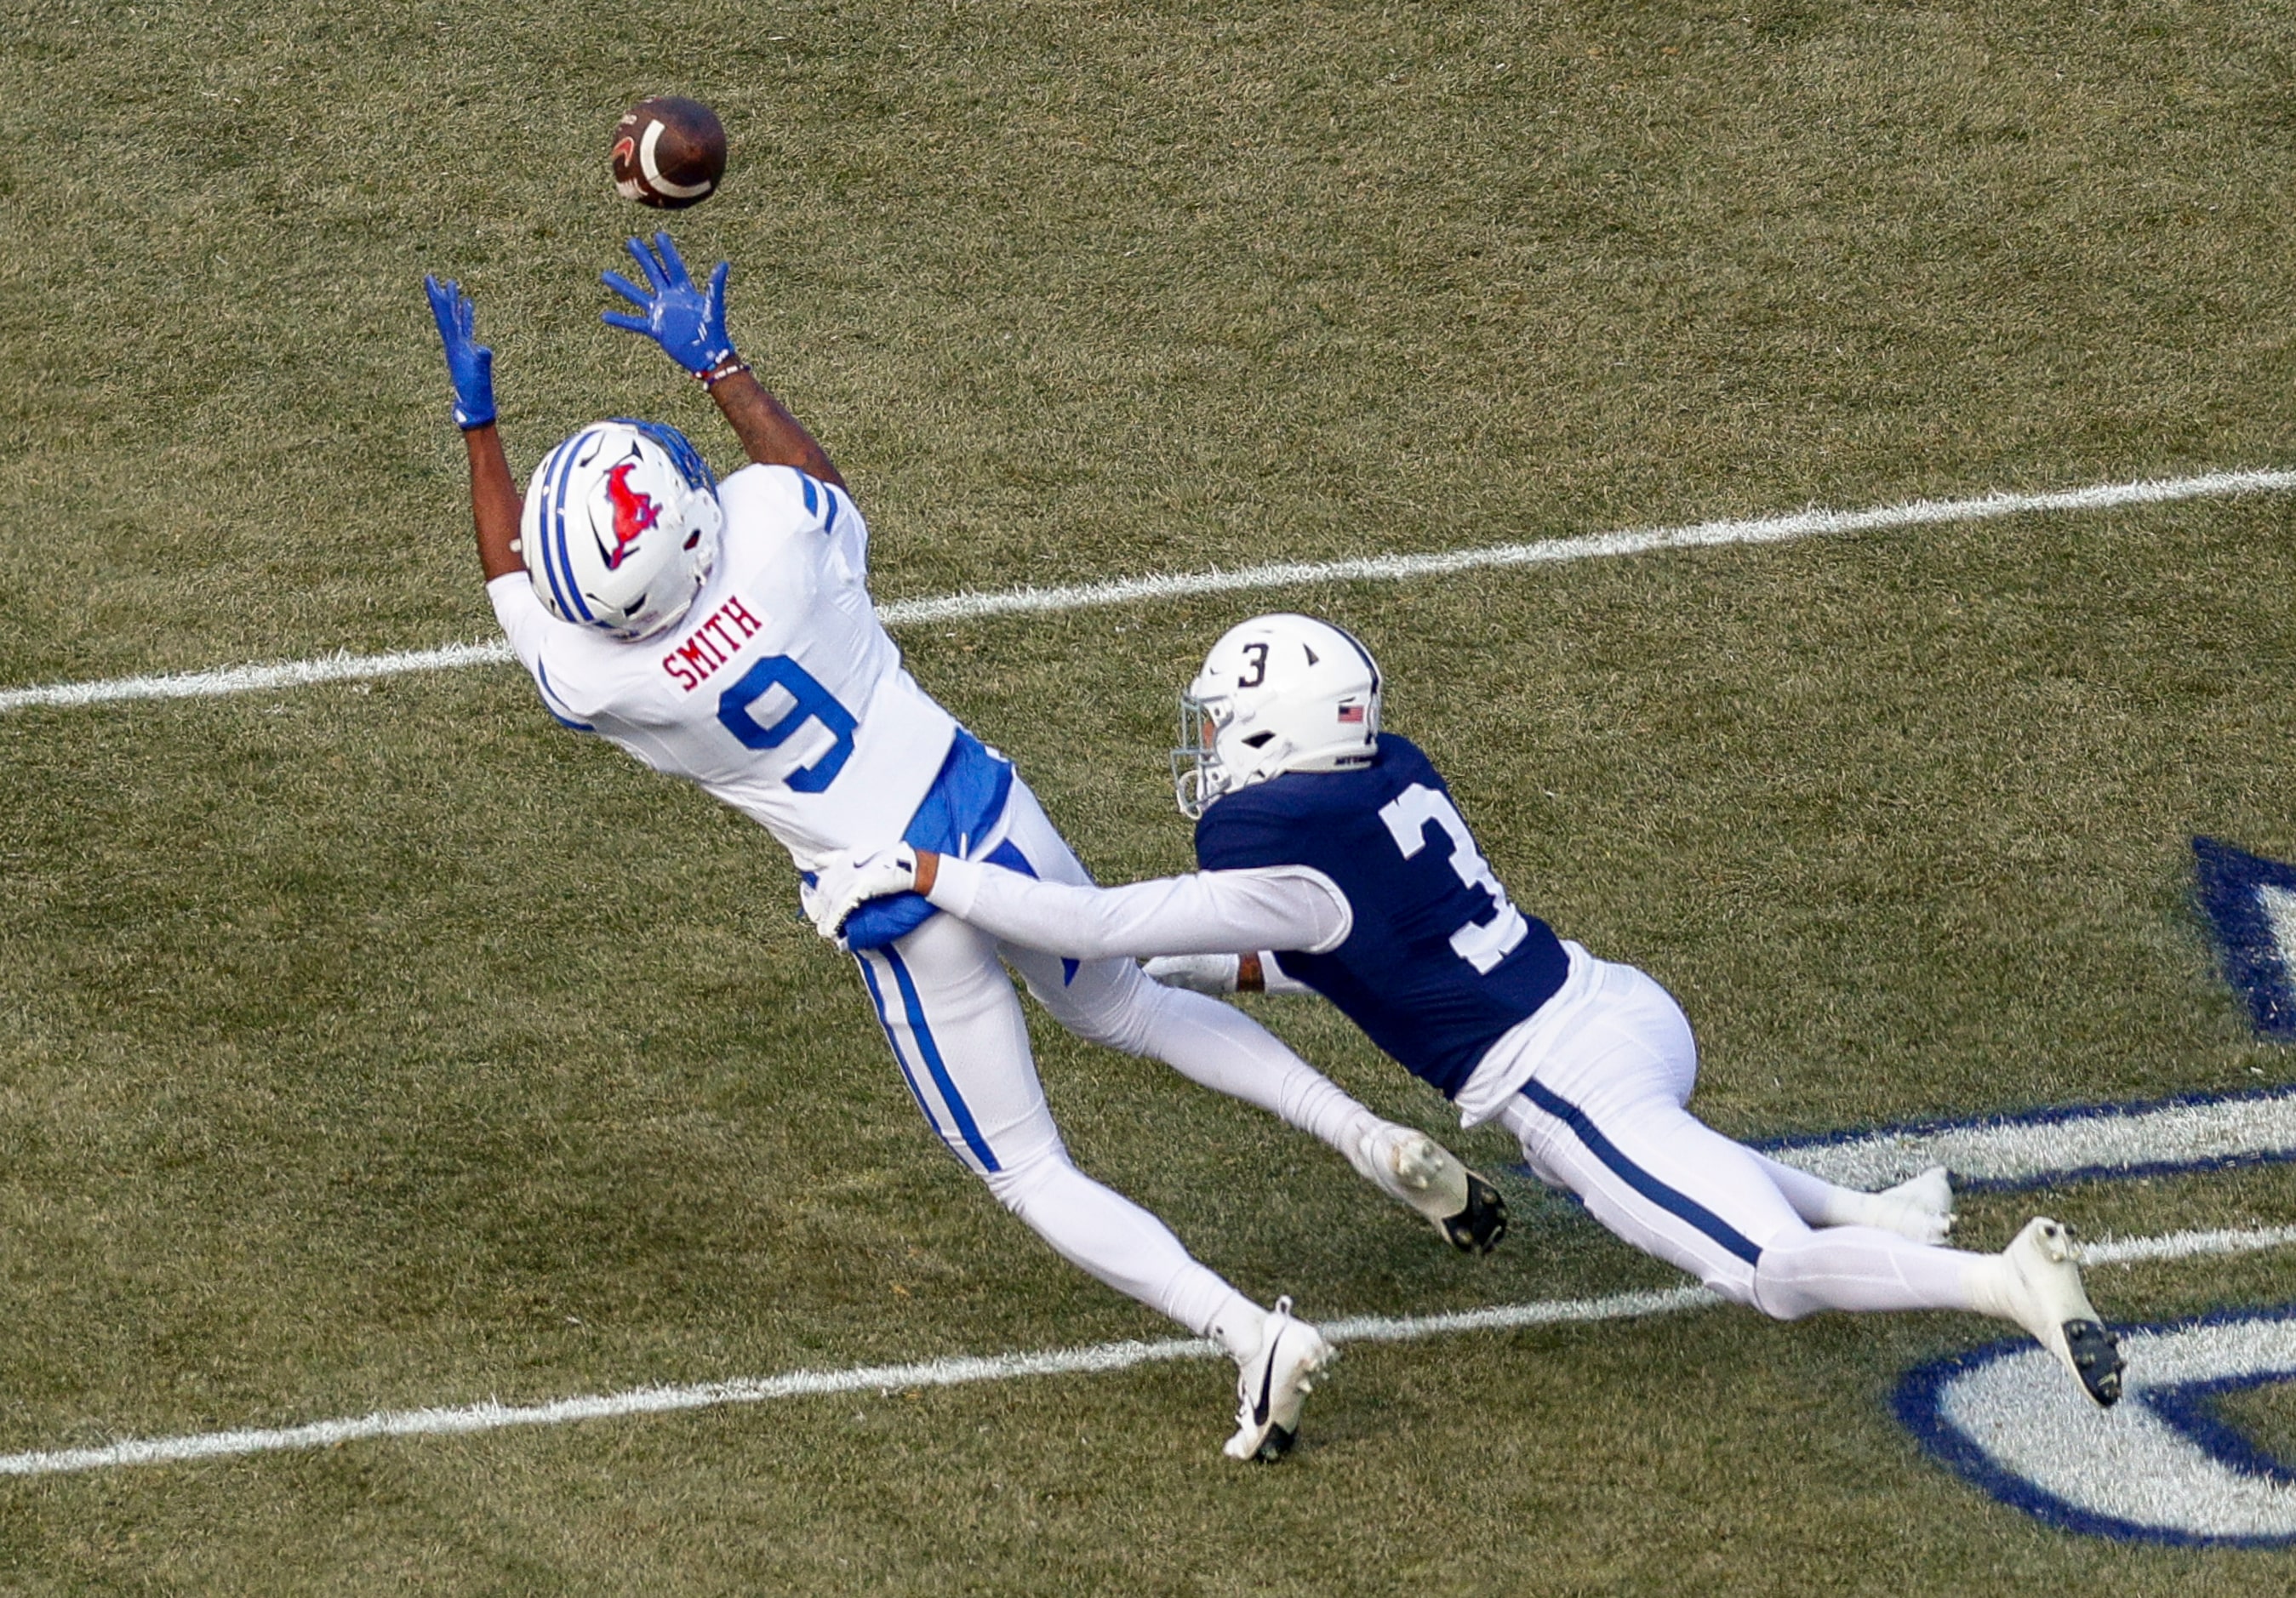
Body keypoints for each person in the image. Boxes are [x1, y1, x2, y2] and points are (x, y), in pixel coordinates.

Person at [421, 241, 1510, 1462]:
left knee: (1031, 1171)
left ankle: (1245, 1328)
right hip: (985, 806)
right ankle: (1368, 1138)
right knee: (1134, 1009)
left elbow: (510, 575)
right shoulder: (776, 538)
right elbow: (813, 479)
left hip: (897, 901)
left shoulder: (603, 677)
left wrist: (478, 421)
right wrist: (717, 365)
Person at [809, 612, 2130, 1408]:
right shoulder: (1387, 775)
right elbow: (1314, 957)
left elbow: (1102, 924)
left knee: (1768, 1277)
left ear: (1271, 739)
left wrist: (921, 872)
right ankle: (1878, 1206)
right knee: (1687, 1161)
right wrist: (1170, 976)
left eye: (1223, 730)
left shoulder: (1284, 857)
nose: (1209, 753)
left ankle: (2001, 1281)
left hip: (1558, 1078)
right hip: (1616, 1002)